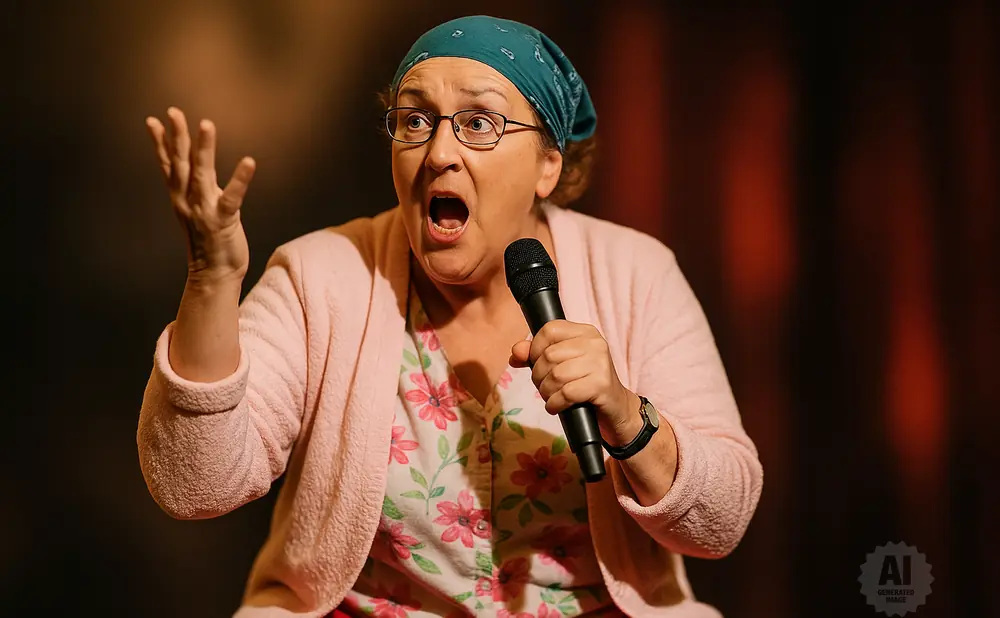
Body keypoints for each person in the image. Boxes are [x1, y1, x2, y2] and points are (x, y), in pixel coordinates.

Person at [137, 15, 763, 618]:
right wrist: (211, 281)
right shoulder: (320, 275)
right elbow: (198, 485)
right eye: (415, 120)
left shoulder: (637, 274)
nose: (438, 152)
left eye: (478, 123)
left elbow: (722, 522)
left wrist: (625, 416)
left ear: (548, 164)